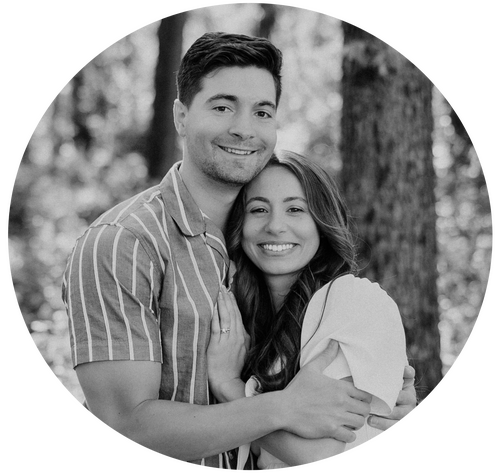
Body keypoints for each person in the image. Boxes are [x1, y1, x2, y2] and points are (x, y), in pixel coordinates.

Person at [62, 32, 415, 471]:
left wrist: (379, 382)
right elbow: (126, 428)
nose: (244, 128)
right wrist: (279, 407)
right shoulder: (124, 243)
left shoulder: (266, 252)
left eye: (262, 112)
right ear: (181, 116)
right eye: (223, 107)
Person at [207, 151, 410, 470]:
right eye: (258, 209)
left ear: (322, 222)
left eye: (295, 209)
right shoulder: (247, 319)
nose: (275, 226)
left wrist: (227, 386)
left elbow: (319, 456)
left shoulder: (353, 300)